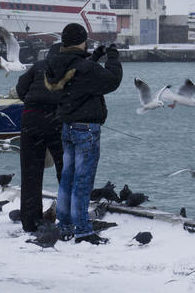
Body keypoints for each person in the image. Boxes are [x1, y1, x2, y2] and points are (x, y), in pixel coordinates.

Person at [44, 23, 122, 245]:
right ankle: (83, 230)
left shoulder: (57, 63)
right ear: (81, 41)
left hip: (67, 127)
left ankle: (66, 225)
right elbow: (111, 80)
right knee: (83, 180)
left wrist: (94, 58)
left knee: (67, 178)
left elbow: (77, 78)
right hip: (86, 128)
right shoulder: (82, 67)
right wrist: (113, 57)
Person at [15, 42, 64, 233]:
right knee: (65, 170)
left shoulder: (38, 66)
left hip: (31, 118)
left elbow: (21, 88)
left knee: (30, 173)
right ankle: (66, 215)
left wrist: (33, 101)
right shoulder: (69, 68)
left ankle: (30, 221)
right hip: (56, 120)